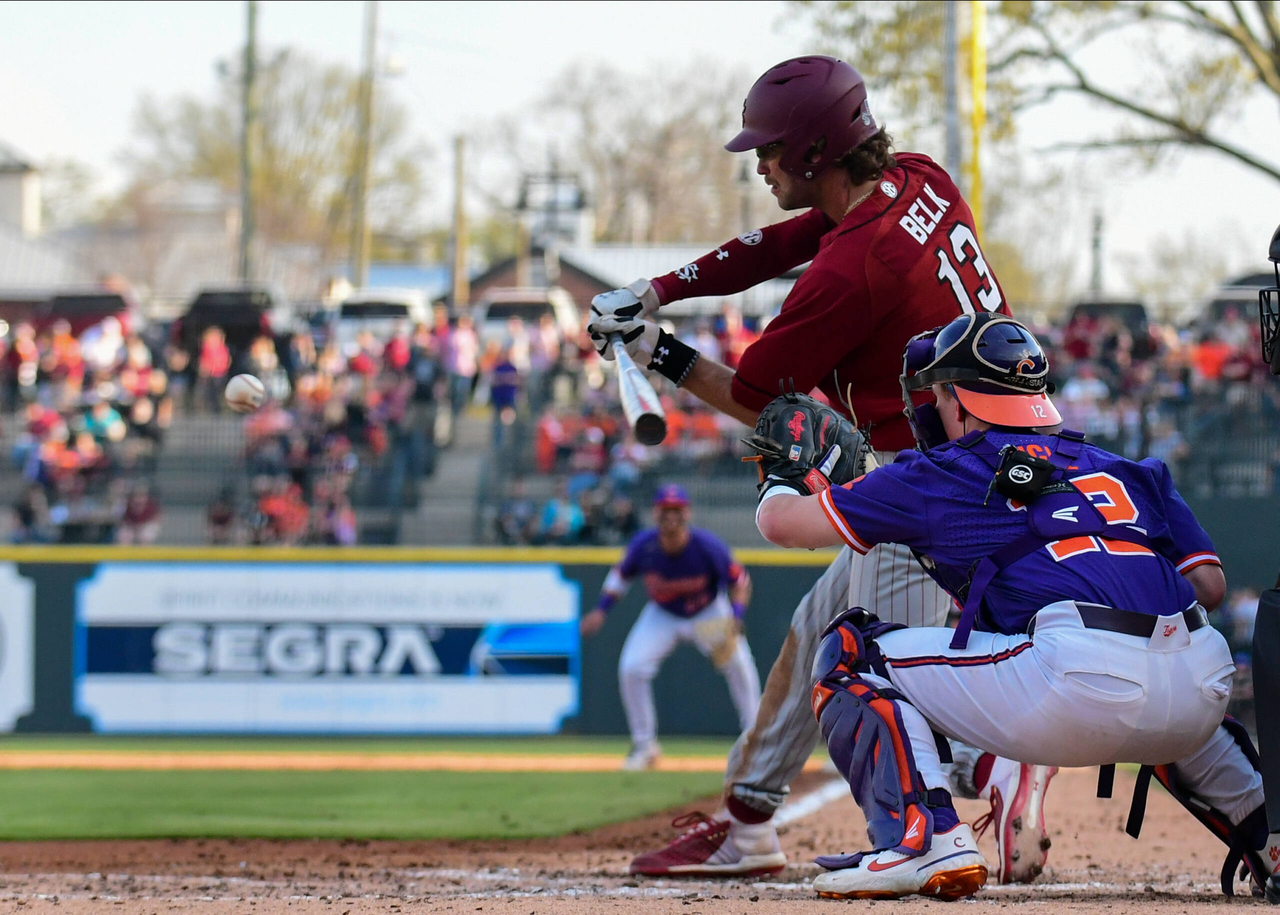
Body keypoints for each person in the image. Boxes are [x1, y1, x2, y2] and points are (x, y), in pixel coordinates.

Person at [586, 54, 1047, 881]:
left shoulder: (854, 267)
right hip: (997, 456)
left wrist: (658, 350)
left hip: (931, 482)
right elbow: (781, 243)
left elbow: (757, 400)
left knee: (867, 666)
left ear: (812, 151)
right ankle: (747, 822)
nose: (760, 164)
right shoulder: (917, 177)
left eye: (769, 150)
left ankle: (978, 784)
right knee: (812, 633)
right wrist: (657, 292)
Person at [750, 313, 1278, 900]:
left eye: (937, 394)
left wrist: (784, 477)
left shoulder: (941, 473)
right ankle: (1271, 837)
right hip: (1200, 683)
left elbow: (782, 524)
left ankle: (926, 840)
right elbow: (1208, 586)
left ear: (957, 399)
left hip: (1074, 678)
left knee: (850, 652)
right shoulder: (1132, 469)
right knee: (1167, 669)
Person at [581, 484, 764, 777]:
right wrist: (601, 610)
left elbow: (740, 581)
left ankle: (756, 742)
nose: (671, 515)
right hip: (663, 614)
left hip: (707, 612)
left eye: (676, 509)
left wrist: (736, 615)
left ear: (687, 513)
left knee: (738, 664)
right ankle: (645, 747)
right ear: (655, 513)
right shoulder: (644, 546)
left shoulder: (706, 546)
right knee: (632, 668)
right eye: (665, 509)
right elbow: (620, 577)